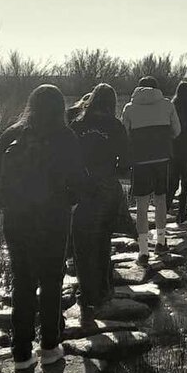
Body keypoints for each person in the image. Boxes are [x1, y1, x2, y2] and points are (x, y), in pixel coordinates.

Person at [0, 85, 89, 371]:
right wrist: (71, 200)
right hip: (53, 217)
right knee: (52, 280)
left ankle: (21, 354)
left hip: (16, 218)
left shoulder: (13, 133)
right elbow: (80, 181)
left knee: (23, 281)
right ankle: (51, 347)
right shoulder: (65, 137)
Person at [69, 84, 129, 321]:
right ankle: (103, 292)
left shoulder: (77, 125)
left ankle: (86, 294)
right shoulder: (115, 126)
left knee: (81, 243)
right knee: (103, 240)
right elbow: (125, 163)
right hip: (106, 188)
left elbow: (68, 158)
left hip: (81, 188)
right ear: (111, 103)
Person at [121, 77, 180, 265]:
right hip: (162, 158)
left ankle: (144, 250)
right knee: (161, 200)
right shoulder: (167, 105)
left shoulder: (129, 108)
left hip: (139, 161)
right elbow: (177, 131)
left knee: (141, 206)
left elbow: (125, 134)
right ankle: (161, 242)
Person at [168, 81, 187, 223]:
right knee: (186, 183)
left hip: (172, 147)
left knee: (172, 181)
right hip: (185, 146)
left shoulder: (172, 106)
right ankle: (182, 215)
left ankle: (165, 210)